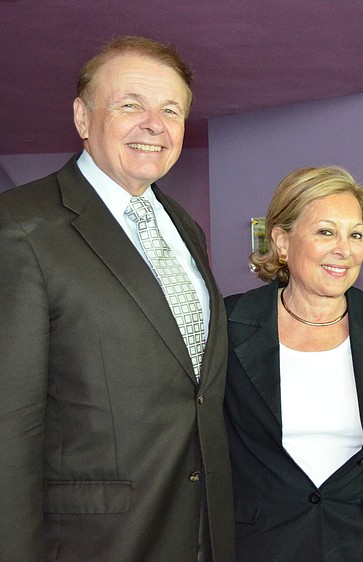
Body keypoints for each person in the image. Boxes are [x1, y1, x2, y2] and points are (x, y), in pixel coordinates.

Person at [0, 37, 235, 561]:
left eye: (170, 110)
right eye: (131, 104)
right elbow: (9, 425)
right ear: (83, 117)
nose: (154, 123)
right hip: (96, 541)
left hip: (203, 529)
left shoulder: (183, 227)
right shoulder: (19, 227)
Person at [224, 166, 363, 562]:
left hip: (361, 538)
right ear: (282, 241)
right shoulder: (230, 324)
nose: (344, 250)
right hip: (261, 540)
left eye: (356, 234)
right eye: (325, 232)